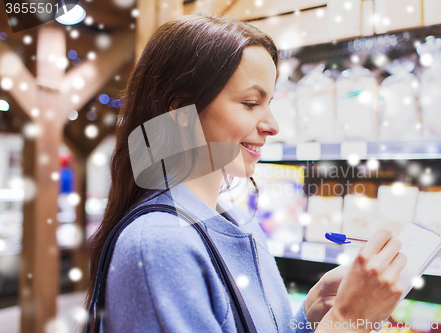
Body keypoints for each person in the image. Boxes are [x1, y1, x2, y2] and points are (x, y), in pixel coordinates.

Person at [84, 13, 407, 333]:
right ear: (181, 112)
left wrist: (311, 315)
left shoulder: (239, 220)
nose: (273, 126)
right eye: (251, 103)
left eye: (269, 102)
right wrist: (347, 322)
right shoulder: (159, 243)